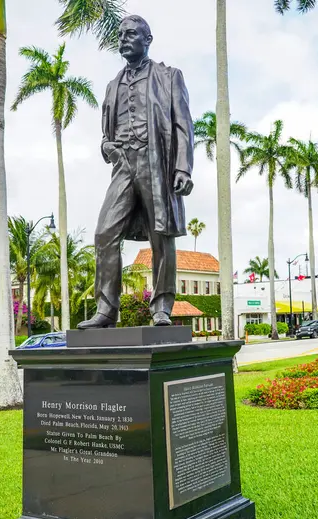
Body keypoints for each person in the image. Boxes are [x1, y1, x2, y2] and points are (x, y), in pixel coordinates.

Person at [77, 14, 194, 329]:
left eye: (131, 34)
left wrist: (183, 167)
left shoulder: (168, 77)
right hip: (124, 165)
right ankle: (106, 310)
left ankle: (161, 308)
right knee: (104, 232)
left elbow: (184, 125)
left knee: (161, 236)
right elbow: (106, 132)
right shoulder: (113, 85)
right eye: (121, 35)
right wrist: (106, 147)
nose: (124, 39)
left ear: (147, 39)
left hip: (156, 162)